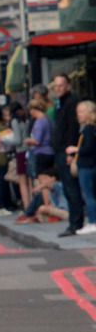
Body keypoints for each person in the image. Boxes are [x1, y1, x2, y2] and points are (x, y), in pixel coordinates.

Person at [50, 72, 84, 237]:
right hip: (60, 151)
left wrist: (70, 152)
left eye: (61, 85)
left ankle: (76, 224)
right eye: (55, 86)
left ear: (68, 86)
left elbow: (72, 129)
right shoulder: (60, 103)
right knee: (68, 188)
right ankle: (74, 222)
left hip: (67, 152)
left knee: (72, 188)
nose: (57, 88)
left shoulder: (71, 103)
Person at [65, 100, 96, 234]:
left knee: (88, 195)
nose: (79, 114)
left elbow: (89, 148)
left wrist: (75, 149)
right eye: (78, 112)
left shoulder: (89, 129)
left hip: (86, 166)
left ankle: (93, 222)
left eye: (82, 111)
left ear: (89, 113)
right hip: (91, 165)